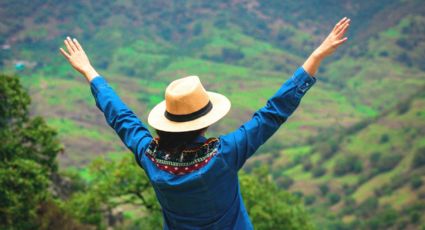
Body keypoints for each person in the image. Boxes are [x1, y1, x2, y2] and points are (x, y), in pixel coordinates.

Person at [60, 17, 350, 229]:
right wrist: (315, 57)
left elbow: (120, 117)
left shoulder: (149, 156)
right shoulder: (223, 155)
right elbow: (273, 113)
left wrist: (90, 72)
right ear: (204, 123)